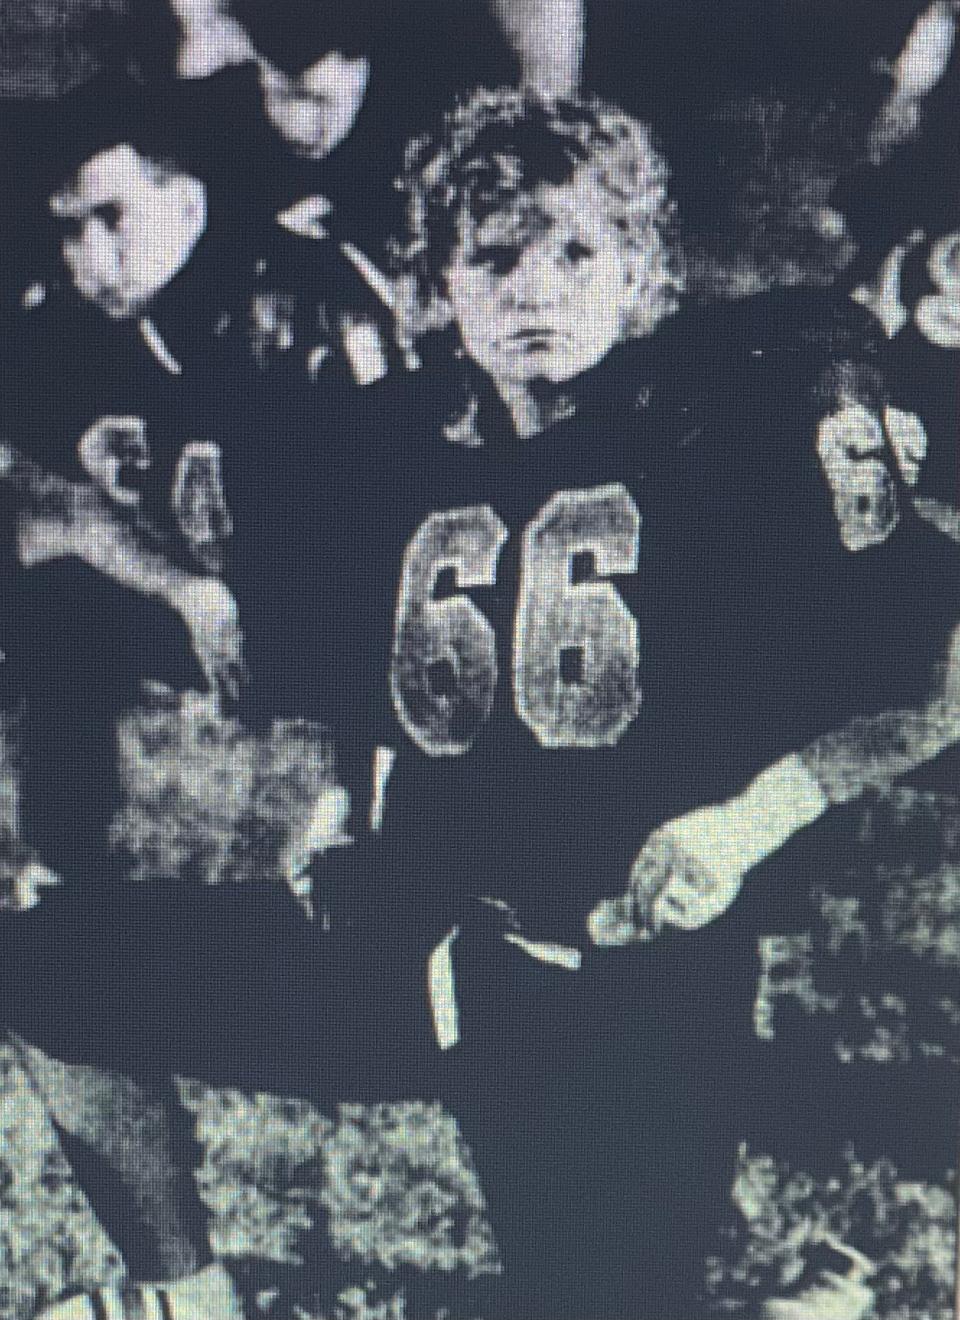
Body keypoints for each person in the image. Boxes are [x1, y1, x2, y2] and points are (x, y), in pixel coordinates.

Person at [6, 86, 960, 1319]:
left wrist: (748, 819)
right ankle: (185, 1303)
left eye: (578, 251)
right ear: (433, 283)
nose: (534, 288)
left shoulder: (722, 424)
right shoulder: (394, 447)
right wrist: (339, 813)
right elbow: (371, 698)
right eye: (494, 255)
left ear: (644, 271)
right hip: (421, 939)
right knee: (53, 973)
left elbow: (937, 670)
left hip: (619, 984)